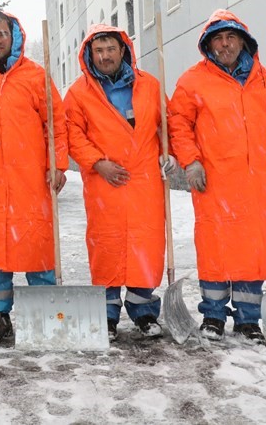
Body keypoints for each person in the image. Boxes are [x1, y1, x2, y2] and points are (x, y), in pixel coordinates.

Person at [168, 10, 266, 344]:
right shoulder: (193, 80)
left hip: (255, 185)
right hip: (214, 181)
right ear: (209, 44)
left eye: (231, 38)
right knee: (215, 249)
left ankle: (248, 319)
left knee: (253, 252)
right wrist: (191, 162)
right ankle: (212, 315)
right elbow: (178, 124)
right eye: (218, 39)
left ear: (242, 41)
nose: (225, 45)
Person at [0, 9, 69, 345]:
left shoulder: (36, 76)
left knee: (37, 245)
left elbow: (57, 124)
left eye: (2, 34)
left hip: (30, 179)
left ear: (14, 36)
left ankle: (45, 311)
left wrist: (58, 164)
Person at [64, 25, 176, 341]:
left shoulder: (150, 86)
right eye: (98, 51)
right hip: (104, 183)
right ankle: (107, 316)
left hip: (145, 183)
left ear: (122, 50)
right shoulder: (78, 94)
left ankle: (144, 313)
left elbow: (170, 124)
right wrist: (98, 163)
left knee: (146, 246)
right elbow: (73, 134)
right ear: (89, 55)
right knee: (107, 247)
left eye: (110, 49)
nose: (104, 56)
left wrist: (170, 153)